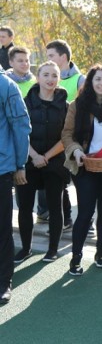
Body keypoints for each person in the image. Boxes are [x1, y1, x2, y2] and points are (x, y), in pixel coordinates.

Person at [61, 64, 102, 275]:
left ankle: (101, 254)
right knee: (86, 212)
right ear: (90, 81)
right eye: (98, 79)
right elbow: (67, 134)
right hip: (84, 164)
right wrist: (77, 151)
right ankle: (76, 258)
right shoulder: (77, 105)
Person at [14, 61, 69, 264]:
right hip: (28, 161)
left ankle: (52, 250)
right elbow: (19, 132)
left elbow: (67, 136)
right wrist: (34, 155)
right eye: (46, 75)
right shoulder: (24, 103)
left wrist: (46, 157)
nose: (50, 79)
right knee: (25, 207)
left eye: (54, 75)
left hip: (55, 162)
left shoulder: (65, 105)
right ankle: (26, 248)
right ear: (38, 77)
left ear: (59, 78)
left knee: (55, 207)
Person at [0, 69, 31, 305]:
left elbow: (21, 126)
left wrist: (20, 164)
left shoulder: (7, 86)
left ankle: (3, 282)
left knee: (1, 229)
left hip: (2, 168)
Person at [45, 39, 82, 229]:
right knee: (59, 185)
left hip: (71, 141)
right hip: (50, 141)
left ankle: (84, 220)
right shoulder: (45, 78)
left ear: (63, 57)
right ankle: (64, 218)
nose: (48, 60)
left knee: (74, 183)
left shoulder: (80, 80)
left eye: (51, 56)